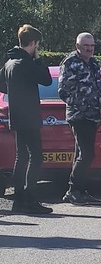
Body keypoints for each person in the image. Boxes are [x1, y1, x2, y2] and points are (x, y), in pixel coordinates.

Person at [0, 24, 54, 215]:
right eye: (36, 45)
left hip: (16, 116)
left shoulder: (9, 63)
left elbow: (2, 86)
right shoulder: (27, 63)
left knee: (21, 157)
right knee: (36, 157)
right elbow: (47, 79)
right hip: (29, 116)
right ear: (32, 43)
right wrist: (38, 59)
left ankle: (19, 198)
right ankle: (30, 198)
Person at [58, 31, 101, 206]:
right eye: (86, 46)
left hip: (93, 116)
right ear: (77, 46)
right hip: (79, 116)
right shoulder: (70, 63)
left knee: (81, 154)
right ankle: (74, 190)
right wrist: (83, 106)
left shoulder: (94, 63)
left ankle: (79, 191)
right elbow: (63, 91)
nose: (89, 49)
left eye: (92, 46)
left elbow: (98, 88)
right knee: (87, 154)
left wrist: (99, 109)